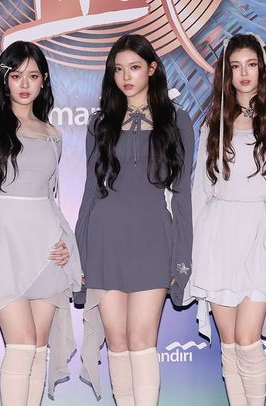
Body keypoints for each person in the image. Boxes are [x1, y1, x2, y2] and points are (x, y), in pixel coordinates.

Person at [0, 41, 82, 406]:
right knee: (22, 344)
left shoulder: (52, 134)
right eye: (16, 76)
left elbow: (52, 200)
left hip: (47, 251)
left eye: (33, 76)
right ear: (4, 79)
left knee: (38, 348)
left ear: (44, 81)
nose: (24, 84)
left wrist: (66, 244)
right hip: (2, 247)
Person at [75, 34, 194, 405]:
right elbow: (90, 193)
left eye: (135, 67)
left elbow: (182, 195)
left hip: (153, 239)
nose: (126, 76)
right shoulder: (100, 123)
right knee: (118, 342)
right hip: (105, 238)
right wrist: (80, 253)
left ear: (152, 69)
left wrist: (181, 256)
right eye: (119, 69)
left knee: (142, 341)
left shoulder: (177, 120)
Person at [184, 33, 266, 406]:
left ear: (263, 70)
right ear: (226, 74)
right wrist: (193, 251)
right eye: (236, 67)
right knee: (230, 342)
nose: (244, 73)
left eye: (251, 65)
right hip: (217, 239)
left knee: (248, 340)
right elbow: (200, 192)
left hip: (262, 237)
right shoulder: (212, 124)